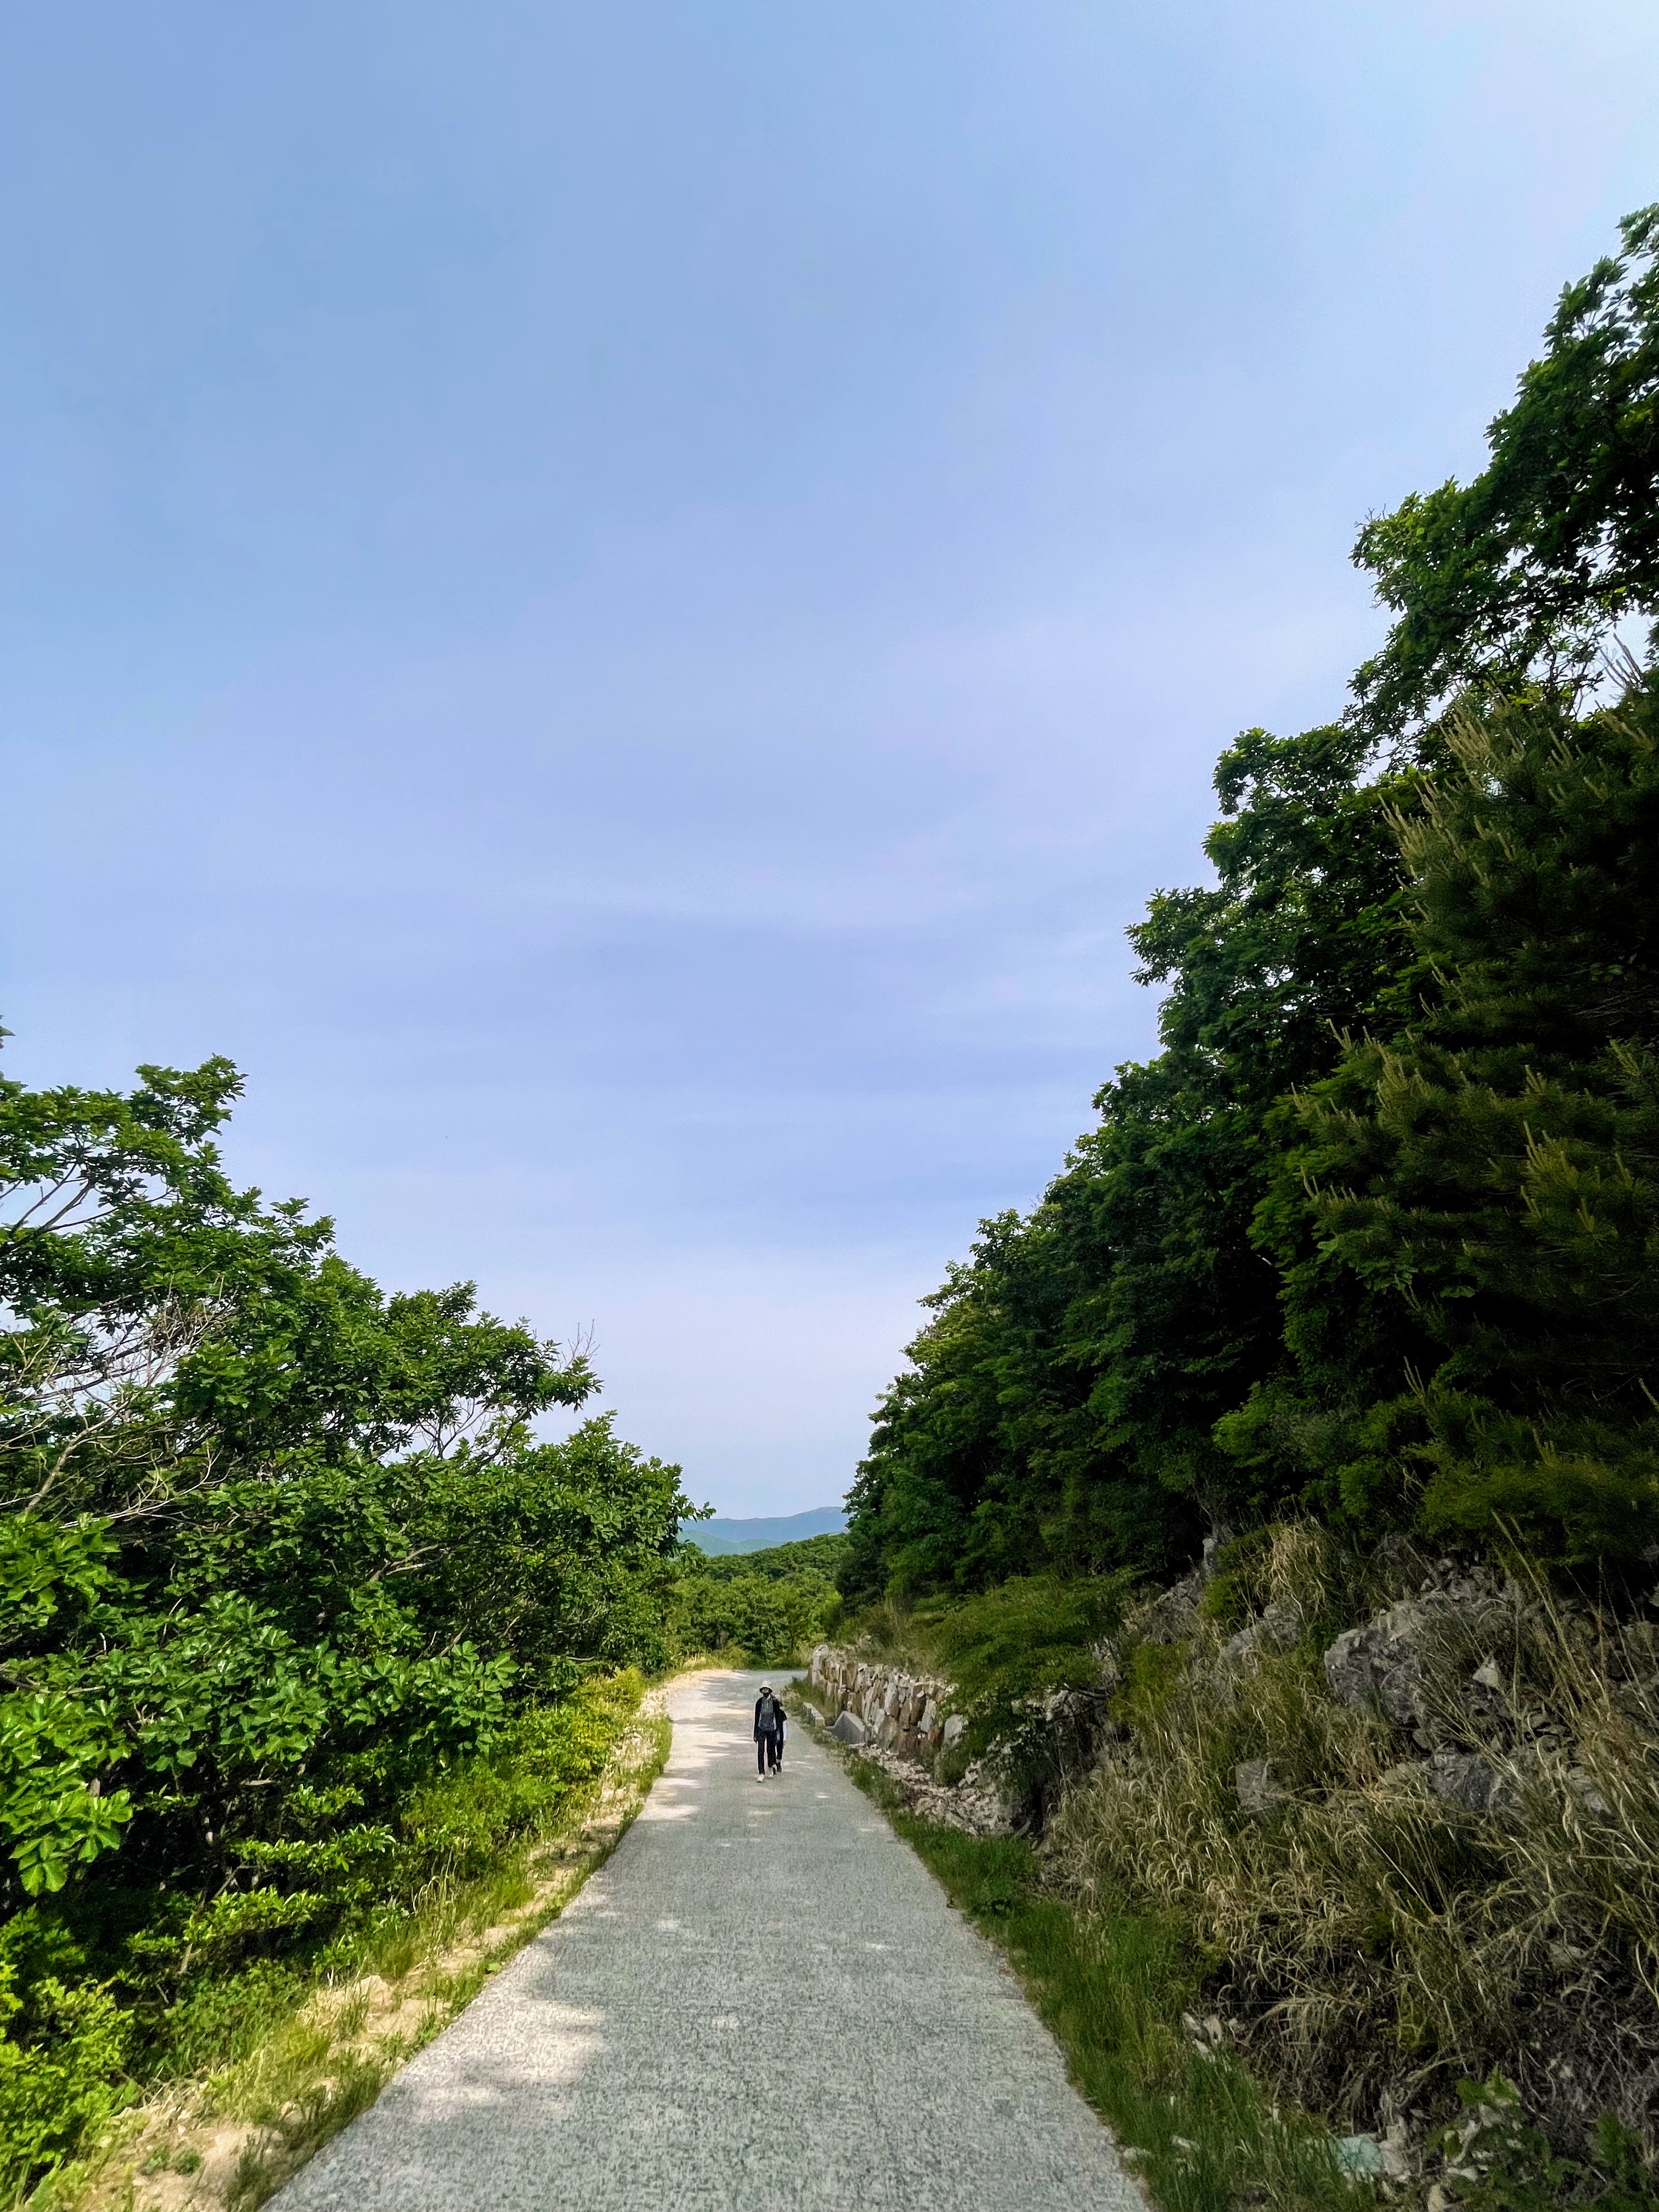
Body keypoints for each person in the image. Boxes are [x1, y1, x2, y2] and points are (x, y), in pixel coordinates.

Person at [754, 1683, 785, 1779]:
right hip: (761, 1728)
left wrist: (778, 1732)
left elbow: (778, 1718)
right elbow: (757, 1718)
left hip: (772, 1729)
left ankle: (771, 1767)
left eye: (766, 1690)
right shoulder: (759, 1702)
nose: (765, 1691)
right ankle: (761, 1773)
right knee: (761, 1750)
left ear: (770, 1691)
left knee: (770, 1750)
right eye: (763, 1690)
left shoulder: (775, 1702)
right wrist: (755, 1733)